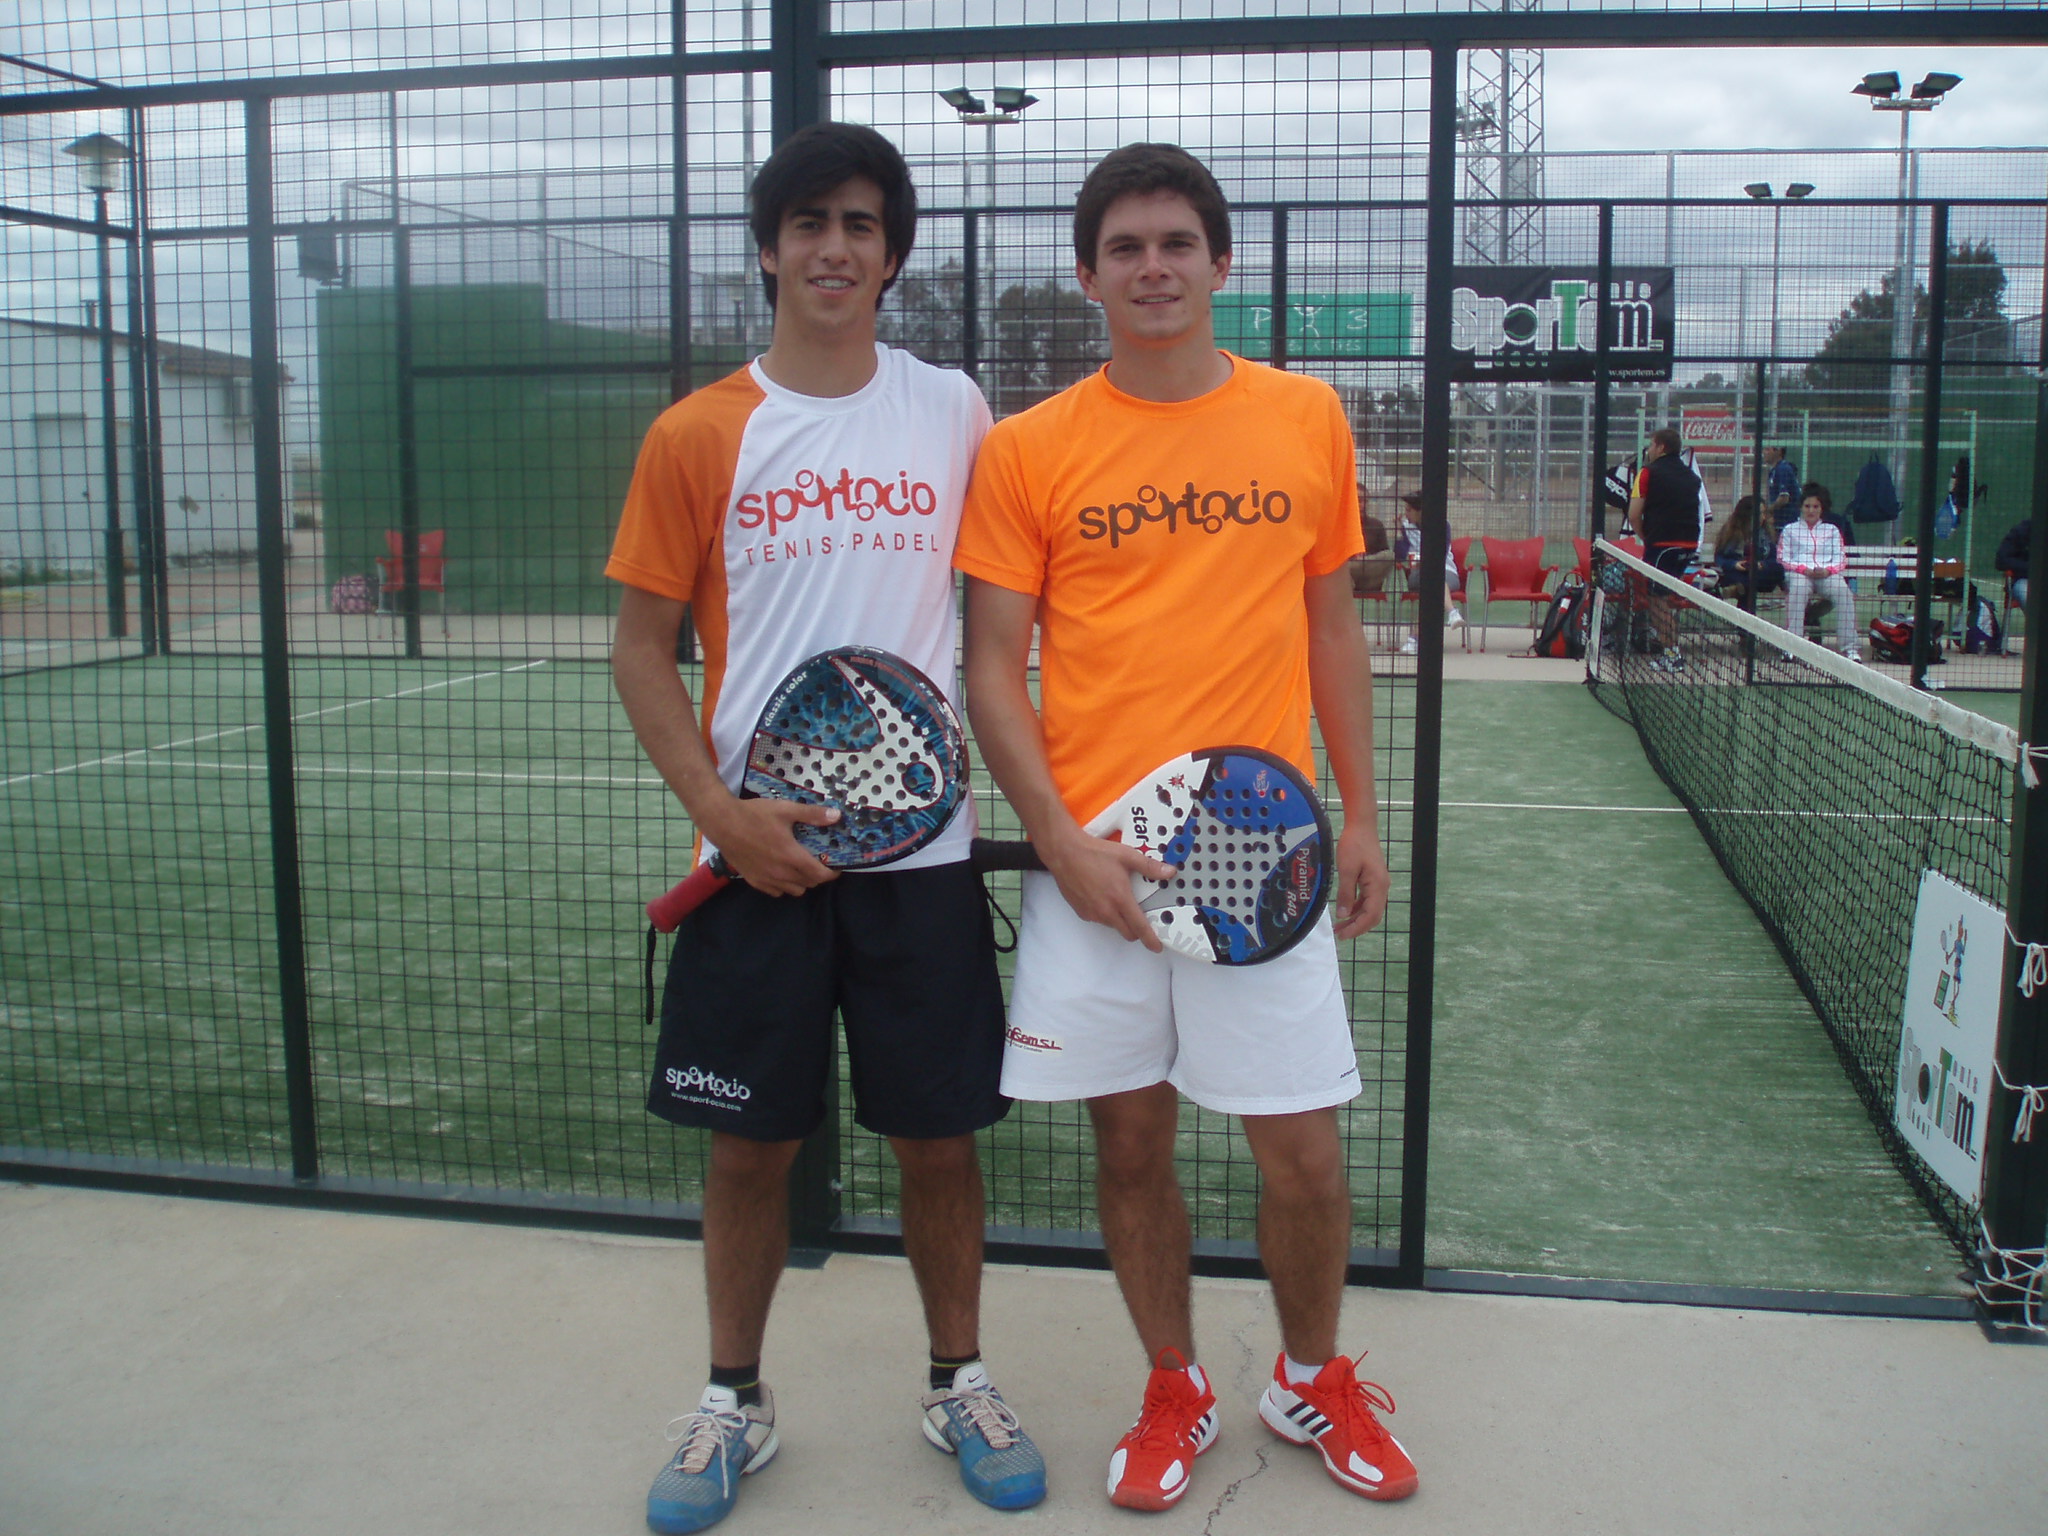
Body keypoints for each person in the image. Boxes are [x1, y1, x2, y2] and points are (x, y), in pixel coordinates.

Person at [955, 142, 1414, 1514]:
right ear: (1087, 274)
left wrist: (1362, 815)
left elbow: (1331, 628)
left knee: (1304, 1156)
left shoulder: (1305, 418)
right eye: (1125, 248)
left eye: (1175, 244)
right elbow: (993, 666)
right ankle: (1175, 1382)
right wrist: (1058, 839)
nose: (1152, 268)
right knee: (1130, 1147)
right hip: (1097, 863)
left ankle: (1309, 1380)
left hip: (1262, 854)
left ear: (1219, 262)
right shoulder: (1026, 448)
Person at [607, 122, 1044, 1534]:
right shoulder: (697, 432)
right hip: (759, 863)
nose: (835, 247)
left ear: (892, 254)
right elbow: (639, 648)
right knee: (747, 1152)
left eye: (860, 223)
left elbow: (1011, 606)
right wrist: (719, 816)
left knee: (939, 1141)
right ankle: (731, 1400)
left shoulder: (954, 410)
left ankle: (957, 1379)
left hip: (921, 865)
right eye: (809, 222)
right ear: (770, 247)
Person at [1625, 427, 1703, 670]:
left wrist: (1647, 537)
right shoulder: (1692, 476)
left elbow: (1633, 515)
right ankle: (1671, 651)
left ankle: (1672, 654)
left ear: (1660, 447)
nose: (1648, 449)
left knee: (1657, 601)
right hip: (1689, 546)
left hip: (1662, 546)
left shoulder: (1647, 473)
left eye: (1651, 444)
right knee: (1665, 599)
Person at [1778, 485, 1861, 660]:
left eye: (1815, 506)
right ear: (1801, 507)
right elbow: (1783, 558)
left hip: (1826, 574)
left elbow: (1840, 558)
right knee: (1798, 591)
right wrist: (1803, 569)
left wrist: (1827, 570)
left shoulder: (1832, 530)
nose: (1811, 510)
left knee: (1844, 592)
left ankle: (1851, 649)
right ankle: (1791, 647)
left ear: (1821, 509)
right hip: (1800, 574)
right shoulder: (1790, 530)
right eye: (1807, 506)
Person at [1393, 489, 1462, 654]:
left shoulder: (1441, 525)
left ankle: (1414, 639)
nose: (1406, 514)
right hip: (1418, 573)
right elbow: (1400, 555)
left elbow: (1441, 553)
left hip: (1446, 571)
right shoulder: (1406, 527)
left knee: (1433, 585)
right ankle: (1452, 612)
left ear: (1420, 511)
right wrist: (1398, 532)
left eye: (1409, 510)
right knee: (1433, 581)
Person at [1711, 494, 1781, 604]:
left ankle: (1738, 589)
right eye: (1759, 513)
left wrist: (1761, 564)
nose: (1763, 518)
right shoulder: (1731, 532)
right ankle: (1741, 589)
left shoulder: (1766, 533)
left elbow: (1773, 559)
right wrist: (1735, 564)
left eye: (1764, 513)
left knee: (1778, 570)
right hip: (1739, 572)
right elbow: (1720, 559)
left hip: (1760, 573)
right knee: (1740, 580)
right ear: (1747, 514)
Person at [1761, 446, 1801, 528]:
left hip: (1787, 523)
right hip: (1780, 522)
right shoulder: (1774, 470)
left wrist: (1767, 511)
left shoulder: (1783, 469)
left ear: (1778, 451)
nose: (1764, 452)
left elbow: (1784, 498)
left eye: (1767, 449)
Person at [1996, 518, 2030, 611]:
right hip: (2023, 580)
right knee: (2027, 596)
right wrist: (2032, 568)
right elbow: (2001, 560)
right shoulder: (2021, 531)